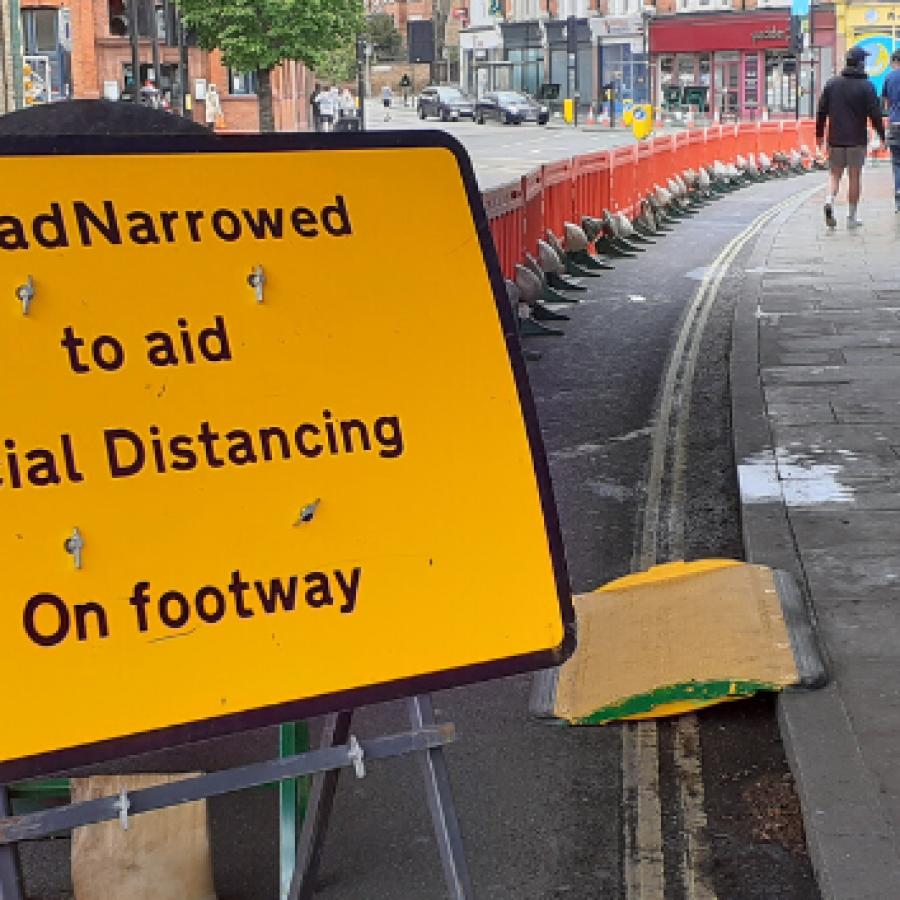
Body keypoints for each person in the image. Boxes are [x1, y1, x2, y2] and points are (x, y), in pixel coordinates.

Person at [816, 46, 885, 229]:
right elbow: (875, 114)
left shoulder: (832, 84)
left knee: (834, 174)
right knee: (854, 176)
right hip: (856, 140)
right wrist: (882, 135)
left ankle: (829, 200)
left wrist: (819, 135)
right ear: (861, 63)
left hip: (835, 138)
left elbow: (821, 110)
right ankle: (851, 217)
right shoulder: (867, 86)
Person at [883, 50, 900, 212]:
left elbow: (886, 102)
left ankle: (898, 195)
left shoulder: (889, 77)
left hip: (895, 124)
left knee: (896, 162)